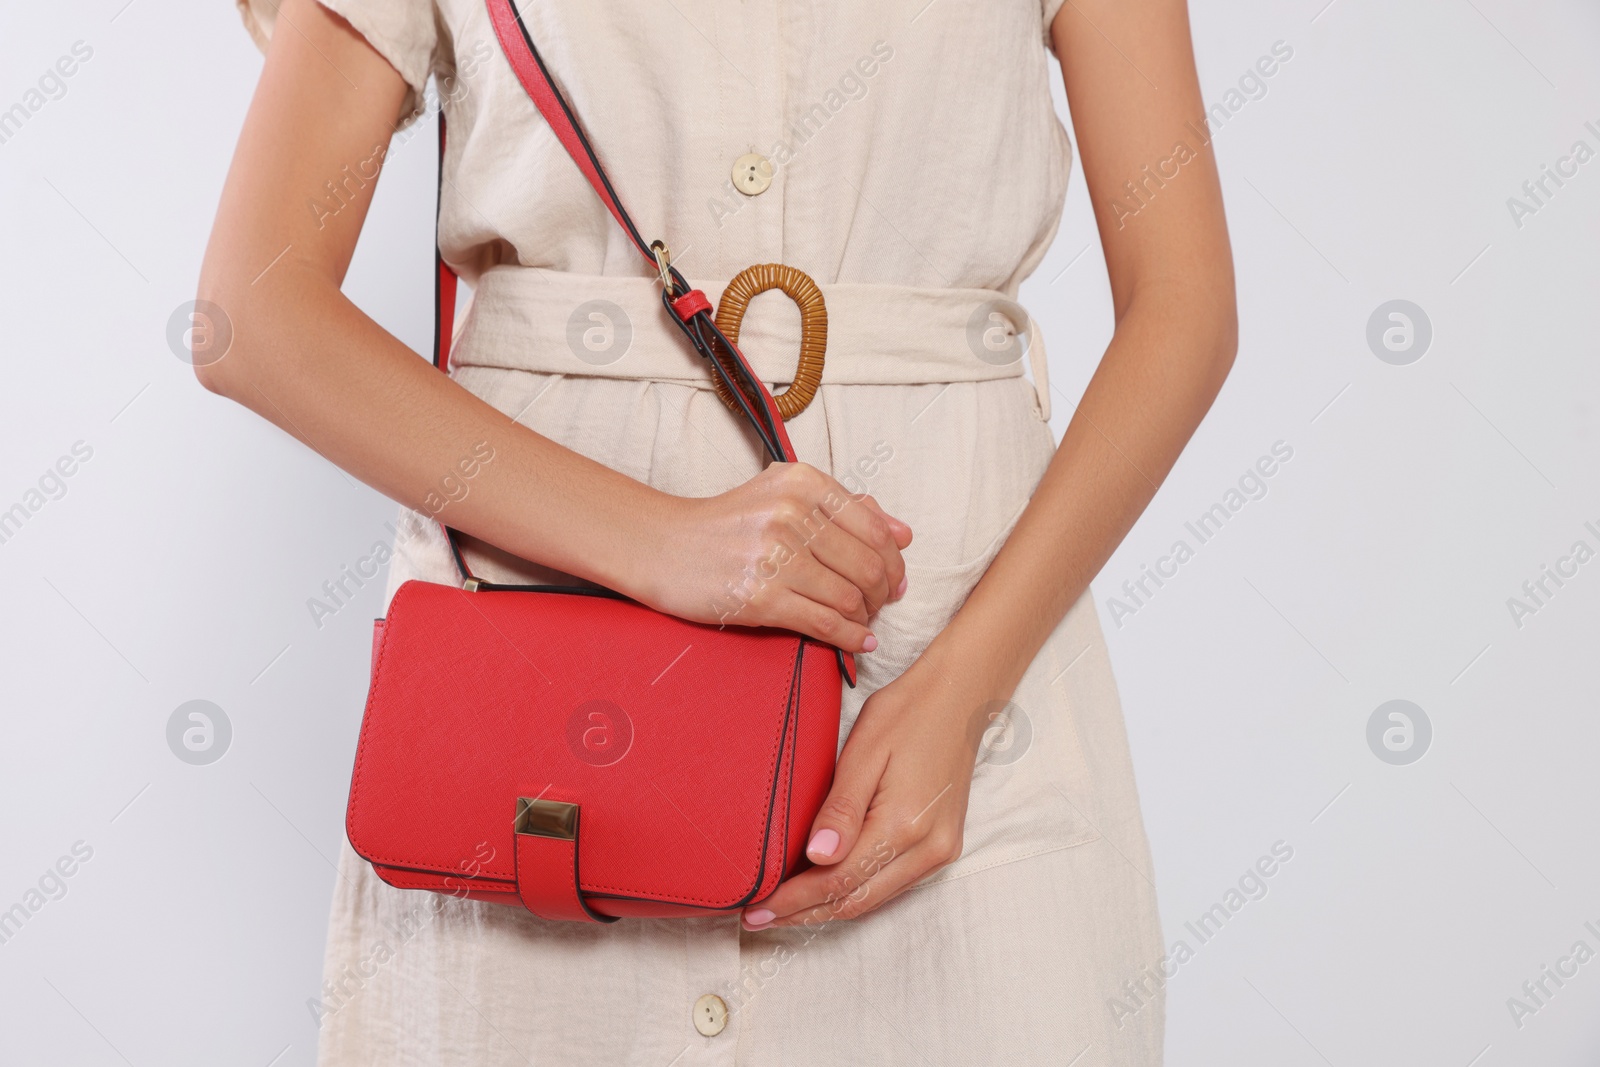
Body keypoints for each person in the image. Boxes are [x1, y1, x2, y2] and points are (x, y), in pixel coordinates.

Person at [200, 0, 1235, 1062]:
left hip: (957, 692)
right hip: (542, 680)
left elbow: (1181, 305)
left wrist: (964, 694)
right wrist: (658, 542)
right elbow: (254, 314)